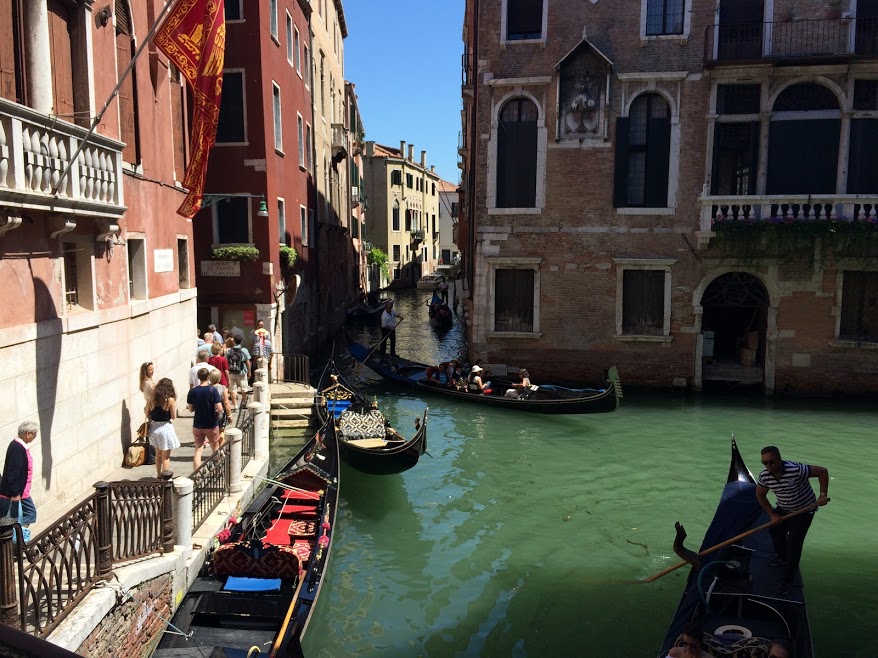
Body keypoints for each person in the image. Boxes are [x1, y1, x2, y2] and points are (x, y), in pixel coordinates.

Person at [755, 445, 829, 596]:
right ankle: (783, 558)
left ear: (780, 460)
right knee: (775, 531)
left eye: (772, 462)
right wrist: (772, 514)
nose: (769, 466)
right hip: (784, 508)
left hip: (804, 511)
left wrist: (822, 495)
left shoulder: (796, 469)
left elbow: (822, 471)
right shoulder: (765, 476)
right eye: (765, 463)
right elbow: (760, 495)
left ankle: (787, 580)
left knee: (794, 543)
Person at [0, 422, 39, 527]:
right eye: (34, 434)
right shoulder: (17, 448)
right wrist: (15, 494)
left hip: (21, 492)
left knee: (15, 517)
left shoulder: (19, 446)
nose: (35, 437)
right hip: (14, 493)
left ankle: (19, 535)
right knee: (29, 514)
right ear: (28, 434)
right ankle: (19, 535)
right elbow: (12, 473)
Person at [187, 368, 223, 470]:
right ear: (208, 377)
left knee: (198, 450)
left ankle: (197, 474)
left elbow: (190, 409)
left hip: (198, 424)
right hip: (211, 424)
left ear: (198, 377)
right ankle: (218, 469)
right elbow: (220, 408)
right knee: (215, 448)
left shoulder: (192, 391)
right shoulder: (213, 390)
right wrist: (215, 412)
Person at [146, 378, 180, 478]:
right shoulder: (170, 400)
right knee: (166, 456)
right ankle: (166, 478)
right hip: (165, 428)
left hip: (154, 428)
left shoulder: (151, 399)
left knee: (158, 454)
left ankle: (158, 475)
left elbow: (147, 413)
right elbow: (173, 416)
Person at [209, 370, 233, 447]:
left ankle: (216, 449)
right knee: (221, 431)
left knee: (213, 432)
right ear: (219, 379)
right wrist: (229, 415)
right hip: (221, 414)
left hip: (210, 413)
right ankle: (221, 448)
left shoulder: (207, 388)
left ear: (209, 378)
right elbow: (226, 403)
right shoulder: (223, 388)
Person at [227, 335, 251, 406]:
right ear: (241, 341)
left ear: (234, 341)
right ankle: (243, 403)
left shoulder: (229, 351)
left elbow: (226, 361)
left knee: (233, 389)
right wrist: (249, 372)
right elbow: (248, 362)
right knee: (243, 387)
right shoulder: (244, 350)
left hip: (231, 372)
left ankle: (235, 405)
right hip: (242, 371)